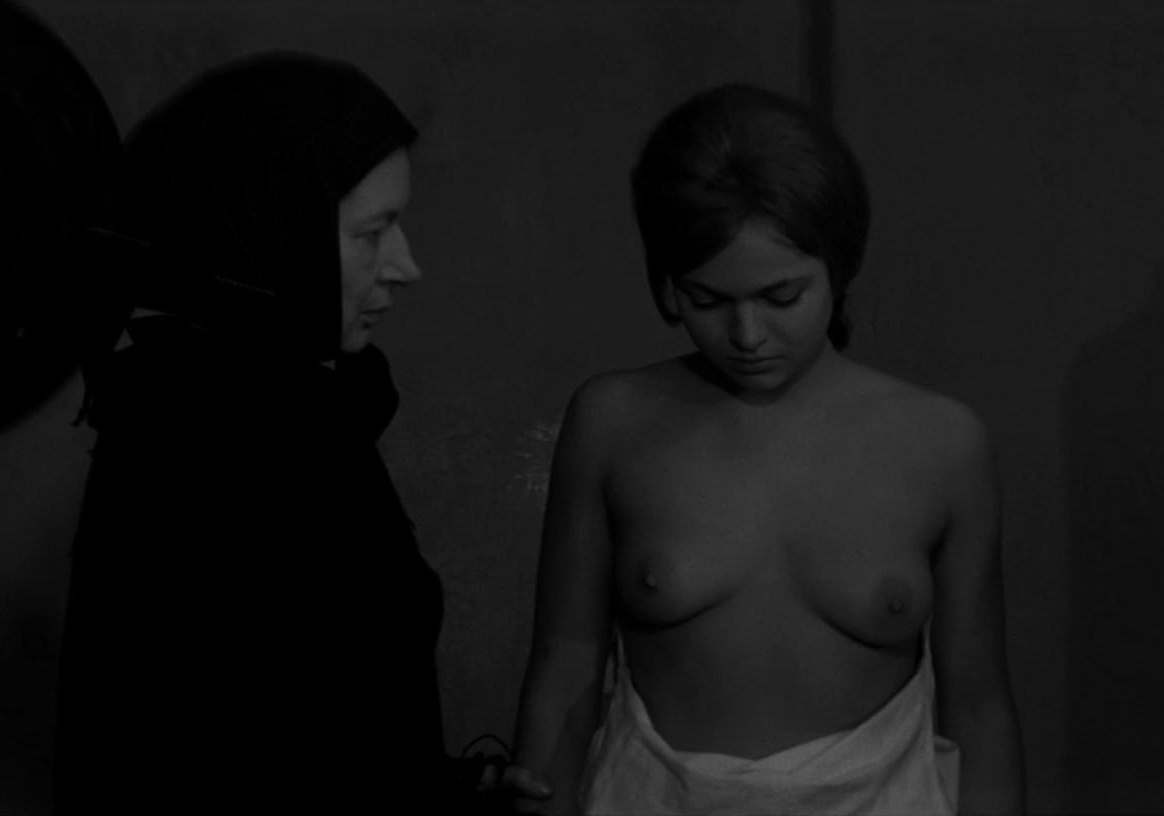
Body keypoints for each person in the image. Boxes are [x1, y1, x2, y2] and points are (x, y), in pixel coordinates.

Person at [505, 84, 1025, 816]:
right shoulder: (612, 422)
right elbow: (566, 662)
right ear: (666, 285)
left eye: (782, 298)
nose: (747, 336)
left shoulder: (942, 443)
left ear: (838, 269)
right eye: (708, 301)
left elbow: (978, 705)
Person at [54, 53, 455, 814]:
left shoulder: (289, 407)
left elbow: (330, 722)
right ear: (272, 229)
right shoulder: (213, 443)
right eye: (373, 232)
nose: (406, 266)